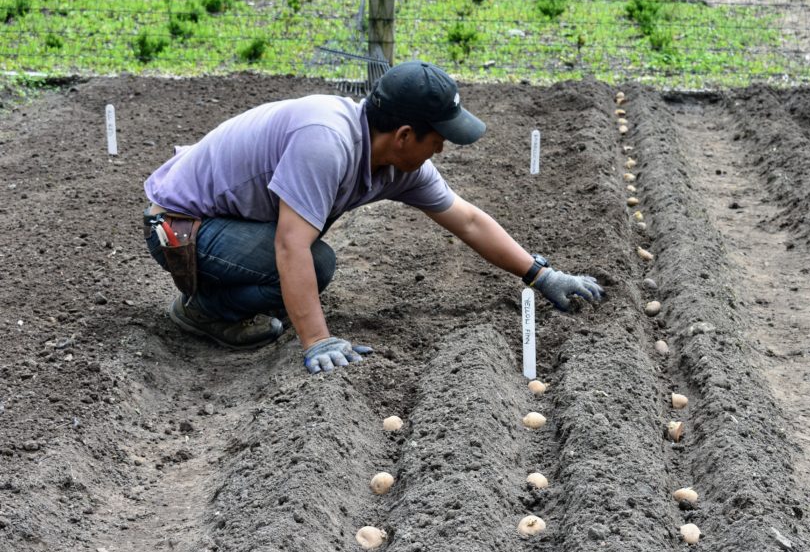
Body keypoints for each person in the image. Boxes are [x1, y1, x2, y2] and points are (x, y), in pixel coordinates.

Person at [143, 60, 604, 374]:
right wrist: (318, 341)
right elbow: (290, 246)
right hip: (181, 226)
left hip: (229, 225)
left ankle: (221, 297)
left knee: (306, 269)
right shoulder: (326, 142)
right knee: (313, 262)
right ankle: (203, 310)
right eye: (437, 138)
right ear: (405, 134)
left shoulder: (396, 164)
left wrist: (540, 275)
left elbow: (466, 219)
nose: (441, 149)